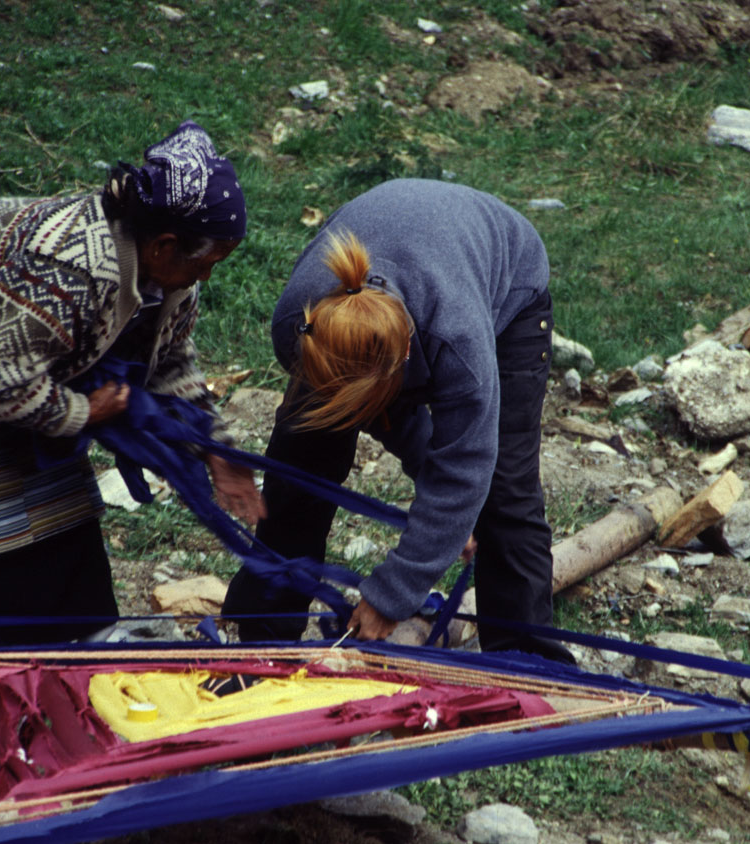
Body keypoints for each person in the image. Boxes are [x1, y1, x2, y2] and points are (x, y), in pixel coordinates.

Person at [0, 120, 264, 652]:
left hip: (10, 341)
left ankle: (59, 634)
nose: (209, 277)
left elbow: (168, 362)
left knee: (53, 493)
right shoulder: (71, 268)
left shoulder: (173, 278)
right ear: (164, 246)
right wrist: (80, 413)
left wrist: (215, 448)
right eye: (208, 262)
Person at [224, 178, 573, 664]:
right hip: (400, 270)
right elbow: (385, 416)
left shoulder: (458, 343)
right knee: (300, 465)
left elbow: (466, 463)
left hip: (507, 280)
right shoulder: (299, 326)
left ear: (406, 359)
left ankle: (525, 663)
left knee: (501, 491)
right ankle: (262, 641)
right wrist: (445, 516)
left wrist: (394, 593)